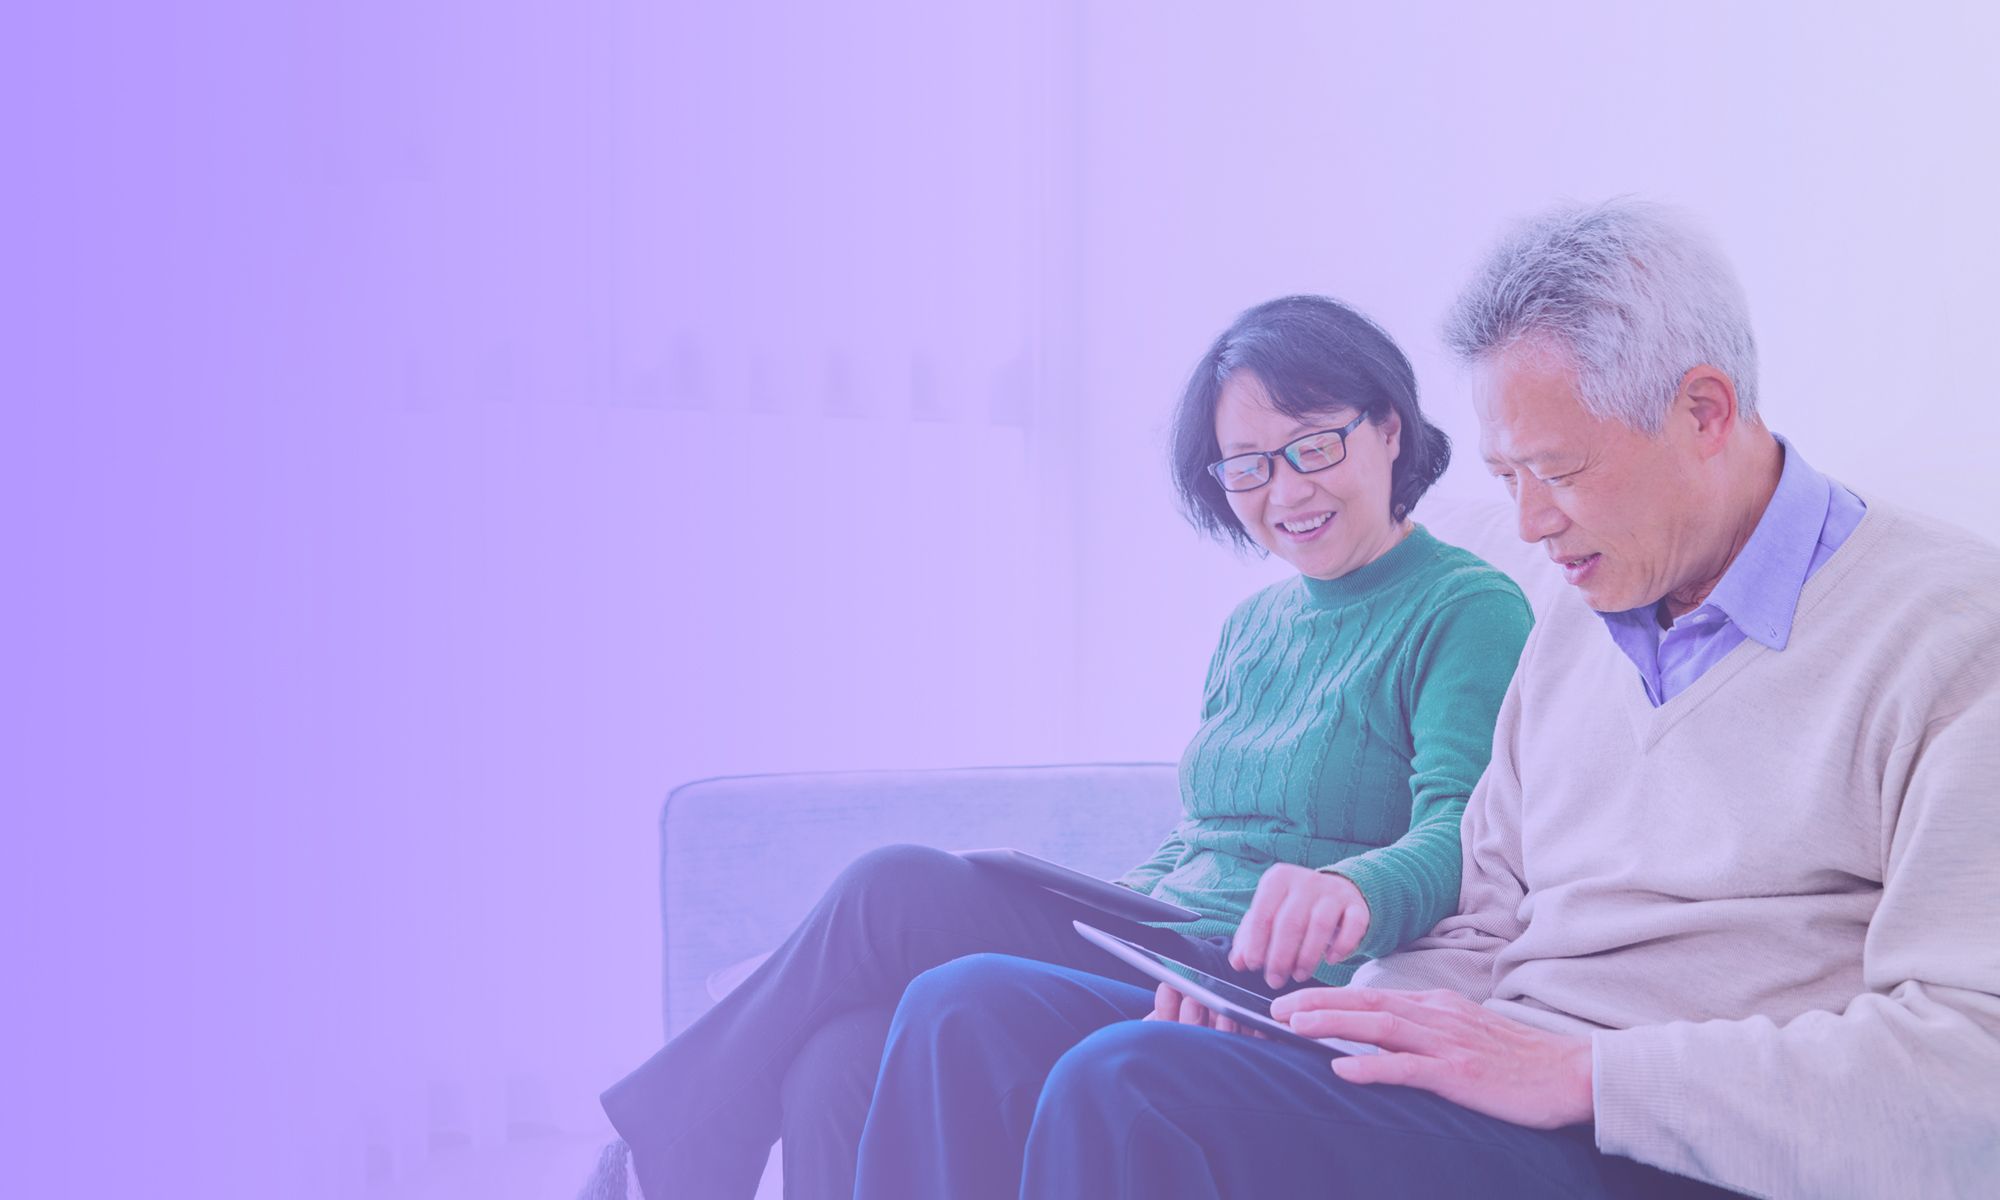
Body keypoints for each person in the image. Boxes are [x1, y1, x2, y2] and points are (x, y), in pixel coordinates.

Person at [853, 199, 2000, 1200]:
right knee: (975, 1013)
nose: (1533, 524)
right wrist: (1303, 1022)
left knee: (1129, 1089)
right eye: (1507, 481)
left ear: (1703, 412)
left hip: (1667, 1146)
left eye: (1556, 472)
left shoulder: (1948, 641)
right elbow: (1479, 913)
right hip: (1499, 1091)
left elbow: (1969, 1075)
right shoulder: (1573, 623)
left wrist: (1584, 1075)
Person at [579, 296, 1533, 1200]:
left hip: (1261, 973)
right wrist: (1111, 912)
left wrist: (1357, 891)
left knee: (895, 887)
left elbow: (1467, 832)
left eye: (1312, 446)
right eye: (1248, 465)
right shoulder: (1256, 626)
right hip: (1164, 940)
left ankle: (678, 1141)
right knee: (839, 1054)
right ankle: (687, 1134)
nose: (1285, 489)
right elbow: (1200, 833)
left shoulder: (1466, 608)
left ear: (1391, 429)